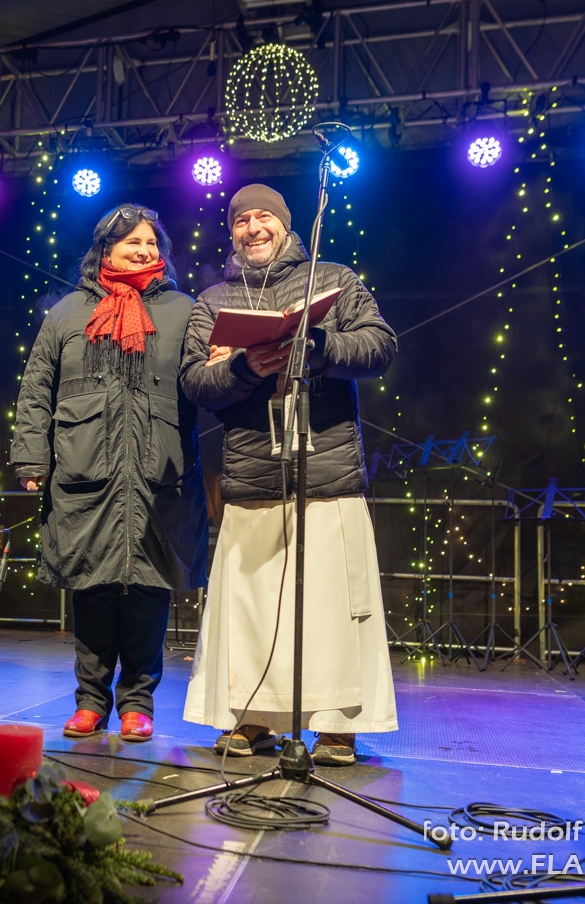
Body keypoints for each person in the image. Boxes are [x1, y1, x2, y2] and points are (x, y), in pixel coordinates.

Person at [179, 183, 398, 766]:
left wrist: (319, 347)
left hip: (325, 470)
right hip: (253, 472)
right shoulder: (213, 301)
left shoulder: (334, 278)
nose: (253, 228)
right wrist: (245, 367)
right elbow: (195, 383)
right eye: (241, 220)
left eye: (263, 217)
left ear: (285, 223)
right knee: (253, 608)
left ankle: (336, 726)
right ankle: (255, 717)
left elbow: (380, 346)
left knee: (330, 607)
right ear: (231, 232)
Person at [10, 205, 209, 743]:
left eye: (151, 242)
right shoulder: (67, 313)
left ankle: (138, 703)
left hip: (160, 474)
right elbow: (36, 389)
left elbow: (208, 380)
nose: (144, 251)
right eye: (131, 242)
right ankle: (91, 701)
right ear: (105, 249)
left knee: (149, 588)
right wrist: (31, 458)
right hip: (85, 471)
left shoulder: (185, 311)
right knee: (92, 588)